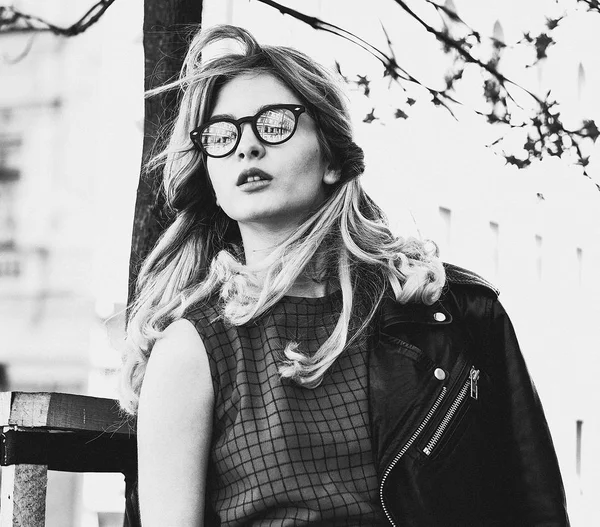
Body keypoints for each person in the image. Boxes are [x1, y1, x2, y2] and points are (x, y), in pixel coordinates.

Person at [119, 24, 569, 527]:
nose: (246, 147)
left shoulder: (452, 311)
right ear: (211, 175)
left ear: (331, 157)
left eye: (273, 124)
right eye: (222, 136)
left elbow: (535, 507)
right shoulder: (192, 349)